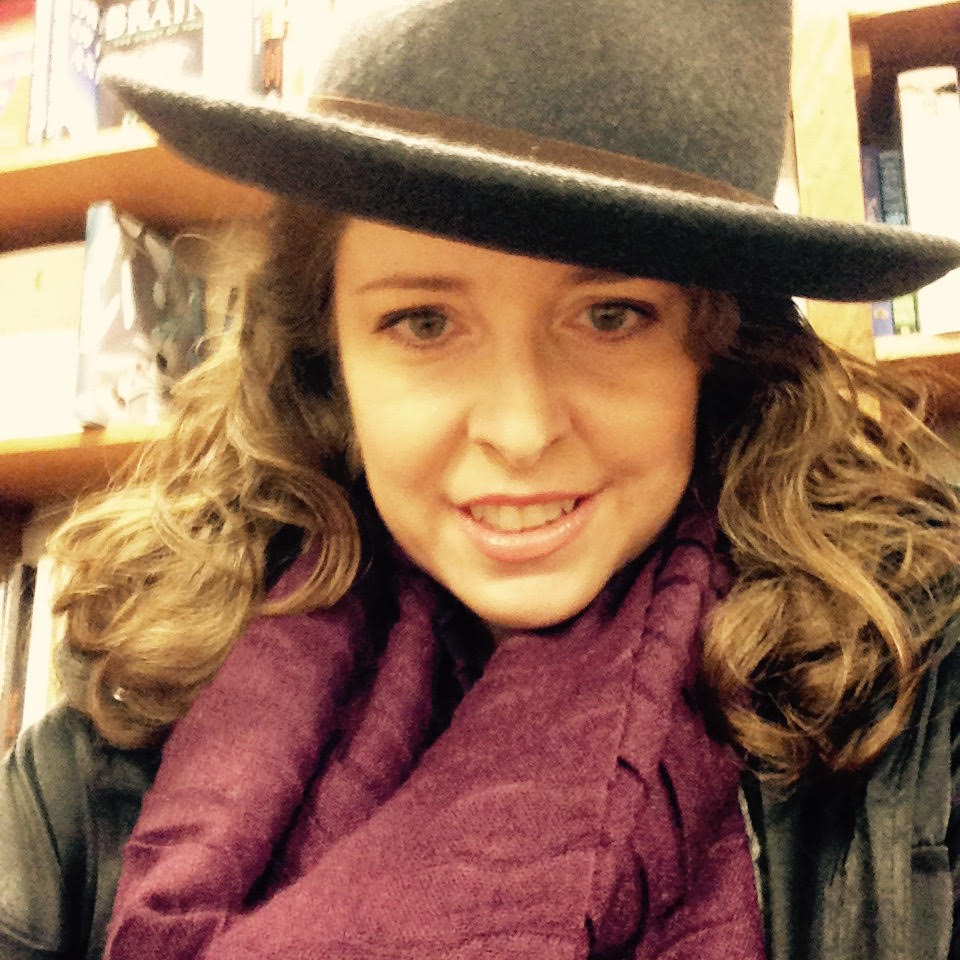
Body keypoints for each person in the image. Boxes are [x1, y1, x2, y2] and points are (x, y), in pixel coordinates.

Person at [3, 0, 960, 958]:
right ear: (327, 357)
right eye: (424, 323)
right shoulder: (119, 734)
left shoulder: (914, 709)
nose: (520, 429)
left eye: (611, 316)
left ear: (718, 350)